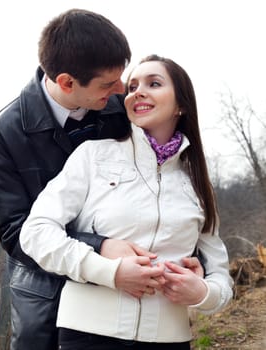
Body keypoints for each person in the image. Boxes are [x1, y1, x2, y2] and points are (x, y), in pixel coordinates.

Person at [0, 9, 202, 350]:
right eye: (108, 83)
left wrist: (191, 261)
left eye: (122, 79)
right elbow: (16, 232)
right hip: (45, 286)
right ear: (67, 82)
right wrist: (99, 247)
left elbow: (165, 184)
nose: (122, 90)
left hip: (135, 288)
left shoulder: (120, 107)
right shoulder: (6, 132)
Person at [20, 54, 233, 349]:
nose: (137, 92)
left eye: (154, 83)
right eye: (132, 87)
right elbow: (36, 233)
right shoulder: (93, 156)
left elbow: (220, 275)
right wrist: (111, 273)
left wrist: (201, 293)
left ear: (181, 105)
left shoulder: (196, 182)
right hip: (88, 337)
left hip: (169, 340)